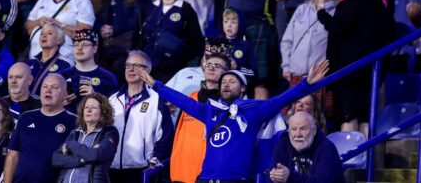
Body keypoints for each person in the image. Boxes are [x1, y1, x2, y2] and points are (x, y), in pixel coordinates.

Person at [139, 58, 329, 181]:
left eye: (232, 81)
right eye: (223, 82)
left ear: (243, 88)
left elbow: (282, 99)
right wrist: (156, 85)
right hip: (205, 179)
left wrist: (306, 84)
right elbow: (182, 101)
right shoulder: (210, 111)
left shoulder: (253, 110)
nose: (226, 85)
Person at [318, 0, 394, 135]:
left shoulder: (350, 4)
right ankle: (366, 160)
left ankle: (351, 160)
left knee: (348, 117)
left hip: (349, 74)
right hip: (372, 74)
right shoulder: (382, 8)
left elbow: (337, 28)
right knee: (365, 119)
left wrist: (322, 14)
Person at [108, 50, 173, 183]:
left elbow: (166, 136)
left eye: (137, 65)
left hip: (141, 170)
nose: (131, 69)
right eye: (128, 65)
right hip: (111, 169)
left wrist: (154, 162)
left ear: (147, 71)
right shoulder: (112, 100)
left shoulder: (157, 100)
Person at [3, 74, 77, 183]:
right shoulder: (25, 118)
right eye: (45, 87)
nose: (48, 90)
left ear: (65, 94)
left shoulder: (74, 122)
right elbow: (12, 156)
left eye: (54, 87)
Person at [170, 52, 230, 183]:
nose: (211, 67)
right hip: (182, 174)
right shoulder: (191, 97)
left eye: (217, 66)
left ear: (227, 73)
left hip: (211, 175)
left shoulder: (229, 104)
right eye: (208, 64)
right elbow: (178, 135)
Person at [140, 0, 204, 83]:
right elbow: (138, 37)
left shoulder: (186, 9)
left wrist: (182, 58)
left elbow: (196, 42)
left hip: (174, 69)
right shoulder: (149, 7)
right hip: (147, 65)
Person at [92, 0, 148, 77]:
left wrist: (114, 29)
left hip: (125, 48)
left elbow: (136, 20)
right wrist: (101, 28)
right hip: (103, 46)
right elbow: (95, 16)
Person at [282, 0, 340, 87]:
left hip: (321, 77)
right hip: (296, 75)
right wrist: (286, 67)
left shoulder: (338, 12)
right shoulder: (302, 9)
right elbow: (287, 41)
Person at [25, 0, 95, 61]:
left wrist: (59, 25)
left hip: (64, 58)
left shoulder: (81, 2)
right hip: (35, 58)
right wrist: (38, 22)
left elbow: (85, 35)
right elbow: (27, 26)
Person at [52, 93, 120, 183]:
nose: (89, 110)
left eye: (94, 108)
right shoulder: (75, 133)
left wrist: (70, 145)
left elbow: (97, 155)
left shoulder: (109, 132)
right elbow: (56, 159)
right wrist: (82, 160)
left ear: (103, 113)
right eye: (86, 107)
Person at [269, 111, 344, 183]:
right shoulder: (283, 145)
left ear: (314, 131)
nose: (298, 134)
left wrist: (290, 177)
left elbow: (322, 181)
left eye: (303, 129)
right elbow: (272, 175)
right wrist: (276, 177)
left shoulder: (327, 149)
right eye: (294, 129)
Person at [61, 29, 119, 112]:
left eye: (84, 45)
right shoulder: (62, 75)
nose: (79, 48)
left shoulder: (108, 77)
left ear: (95, 48)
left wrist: (95, 97)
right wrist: (58, 104)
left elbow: (115, 109)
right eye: (76, 45)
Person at [27, 22, 74, 95]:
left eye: (49, 33)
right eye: (42, 34)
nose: (44, 36)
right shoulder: (30, 63)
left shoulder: (66, 64)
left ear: (59, 39)